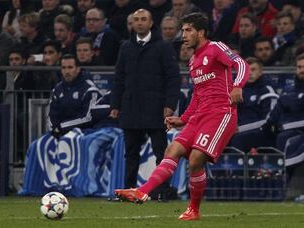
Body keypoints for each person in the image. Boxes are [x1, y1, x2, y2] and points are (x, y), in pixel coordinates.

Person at [114, 12, 249, 220]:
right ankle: (142, 191)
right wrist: (183, 119)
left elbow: (240, 64)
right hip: (200, 115)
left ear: (201, 32)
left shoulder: (216, 48)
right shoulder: (194, 61)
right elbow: (197, 95)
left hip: (220, 113)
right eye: (183, 30)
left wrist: (238, 86)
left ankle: (194, 209)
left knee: (196, 160)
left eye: (188, 30)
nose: (183, 35)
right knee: (172, 149)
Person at [110, 9, 181, 200]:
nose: (139, 23)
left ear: (151, 23)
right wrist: (115, 105)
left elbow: (173, 77)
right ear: (132, 24)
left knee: (161, 152)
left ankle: (162, 191)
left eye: (143, 20)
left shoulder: (164, 47)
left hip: (155, 107)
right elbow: (119, 78)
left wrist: (170, 103)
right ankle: (128, 191)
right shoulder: (126, 47)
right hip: (131, 107)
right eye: (136, 20)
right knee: (130, 154)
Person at [228, 57, 278, 152]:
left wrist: (240, 128)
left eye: (253, 70)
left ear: (260, 72)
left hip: (262, 131)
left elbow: (268, 120)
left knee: (239, 139)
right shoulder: (236, 91)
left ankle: (235, 167)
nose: (249, 73)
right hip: (238, 129)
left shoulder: (267, 90)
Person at [48, 54, 103, 139]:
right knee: (37, 144)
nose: (67, 71)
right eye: (64, 68)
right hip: (59, 132)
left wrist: (62, 126)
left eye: (70, 67)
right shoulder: (57, 89)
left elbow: (88, 117)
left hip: (85, 134)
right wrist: (54, 128)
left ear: (78, 69)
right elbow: (52, 113)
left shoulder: (90, 89)